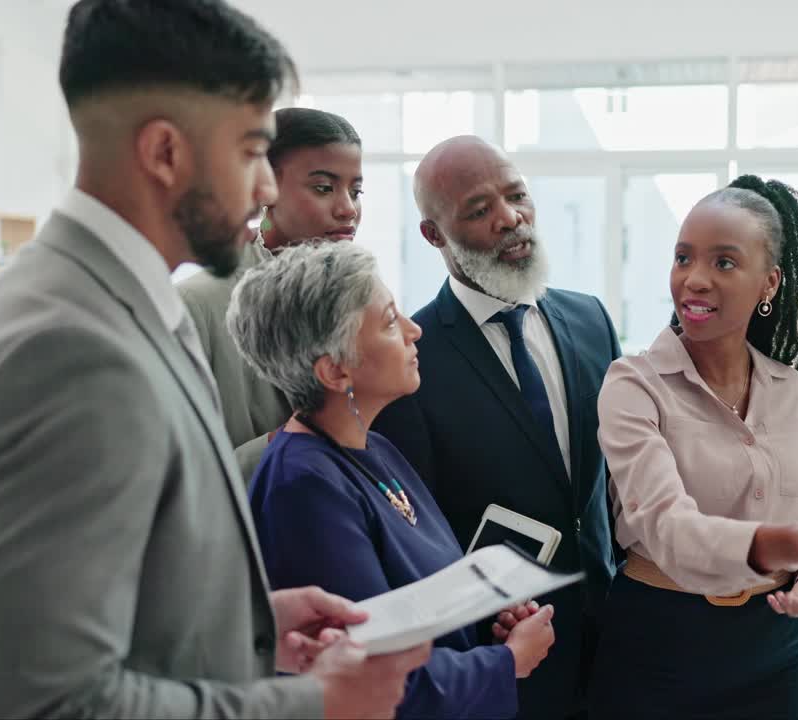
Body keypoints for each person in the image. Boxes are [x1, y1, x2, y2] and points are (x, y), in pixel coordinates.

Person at [0, 2, 428, 718]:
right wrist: (315, 704)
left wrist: (247, 633)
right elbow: (49, 703)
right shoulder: (69, 348)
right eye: (252, 152)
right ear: (164, 153)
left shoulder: (113, 301)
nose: (263, 189)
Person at [230, 241, 557, 719]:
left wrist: (488, 625)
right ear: (335, 369)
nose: (414, 329)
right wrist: (505, 662)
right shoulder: (303, 486)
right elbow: (370, 675)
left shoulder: (373, 448)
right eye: (388, 322)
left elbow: (415, 612)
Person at [587, 175, 798, 719]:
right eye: (683, 258)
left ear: (768, 284)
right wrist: (789, 542)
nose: (694, 279)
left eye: (723, 262)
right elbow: (668, 529)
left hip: (779, 650)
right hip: (659, 650)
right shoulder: (633, 385)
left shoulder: (797, 393)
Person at [372, 136, 621, 719]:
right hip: (503, 657)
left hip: (616, 644)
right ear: (434, 235)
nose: (510, 219)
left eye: (517, 196)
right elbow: (417, 539)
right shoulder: (413, 357)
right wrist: (487, 627)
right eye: (479, 210)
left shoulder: (590, 320)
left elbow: (611, 485)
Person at [179, 107, 363, 482]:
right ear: (265, 189)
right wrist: (296, 438)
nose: (348, 209)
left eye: (356, 190)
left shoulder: (365, 301)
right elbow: (181, 475)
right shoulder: (197, 306)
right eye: (324, 188)